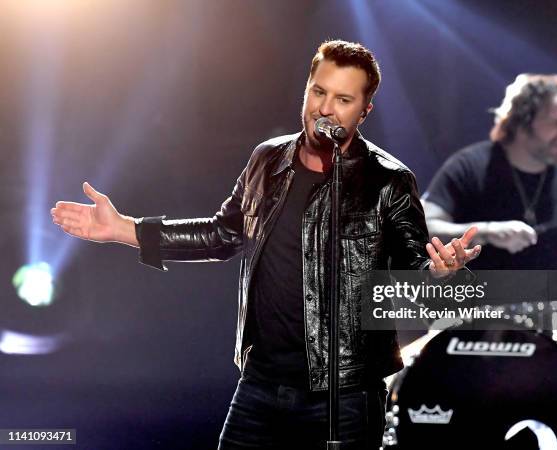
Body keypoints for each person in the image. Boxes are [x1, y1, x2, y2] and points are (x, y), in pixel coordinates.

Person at [51, 40, 480, 450]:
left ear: (364, 111)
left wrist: (443, 275)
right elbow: (222, 234)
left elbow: (414, 267)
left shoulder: (387, 180)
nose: (325, 108)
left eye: (343, 100)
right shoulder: (267, 160)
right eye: (318, 91)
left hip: (344, 396)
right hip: (260, 384)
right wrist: (125, 229)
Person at [423, 73, 557, 271]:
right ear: (522, 122)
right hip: (474, 296)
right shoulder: (469, 166)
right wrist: (487, 232)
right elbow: (420, 227)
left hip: (552, 300)